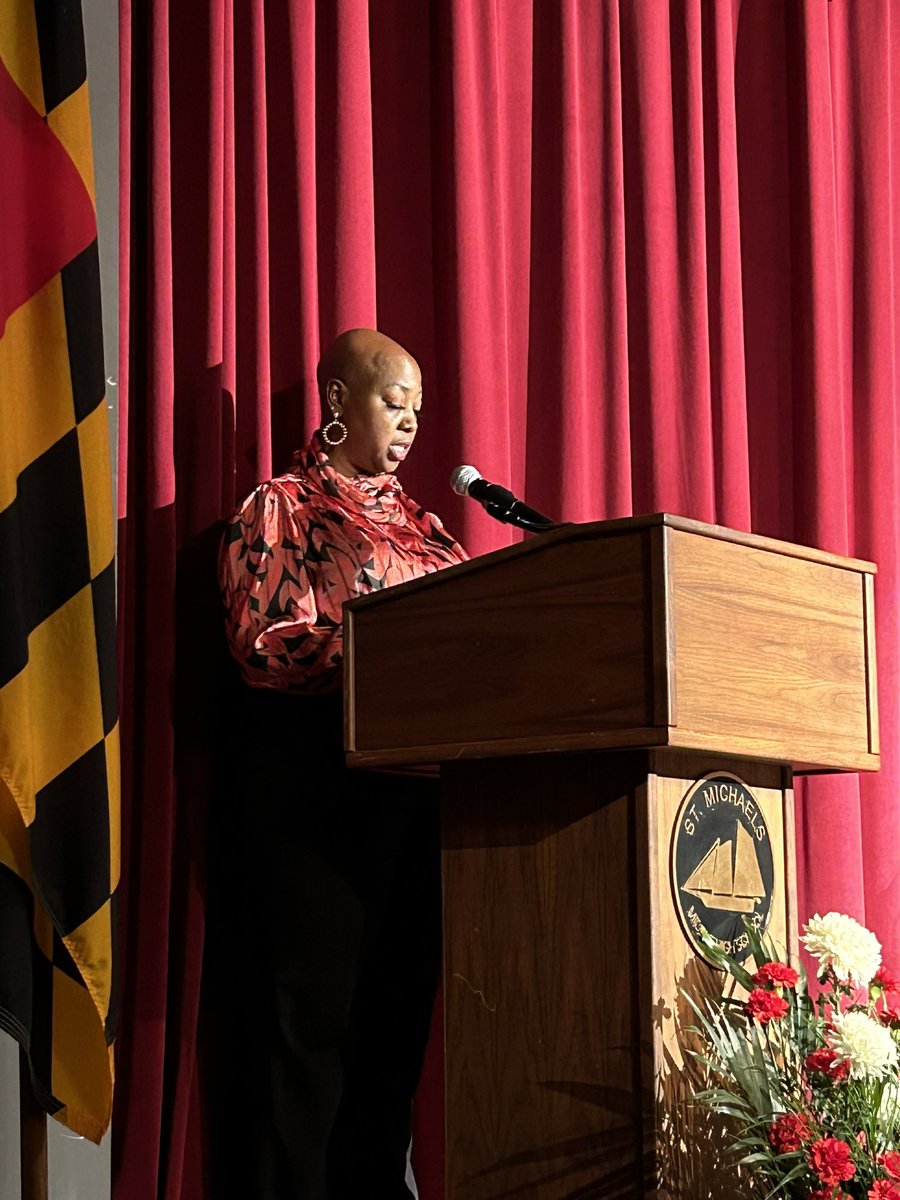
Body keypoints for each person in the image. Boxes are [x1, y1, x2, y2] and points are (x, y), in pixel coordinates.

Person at [217, 329, 468, 1198]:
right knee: (312, 1033)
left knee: (396, 1032)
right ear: (335, 400)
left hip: (425, 803)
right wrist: (389, 653)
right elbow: (262, 639)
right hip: (323, 795)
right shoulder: (282, 508)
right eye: (393, 401)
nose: (407, 424)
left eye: (417, 412)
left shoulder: (431, 532)